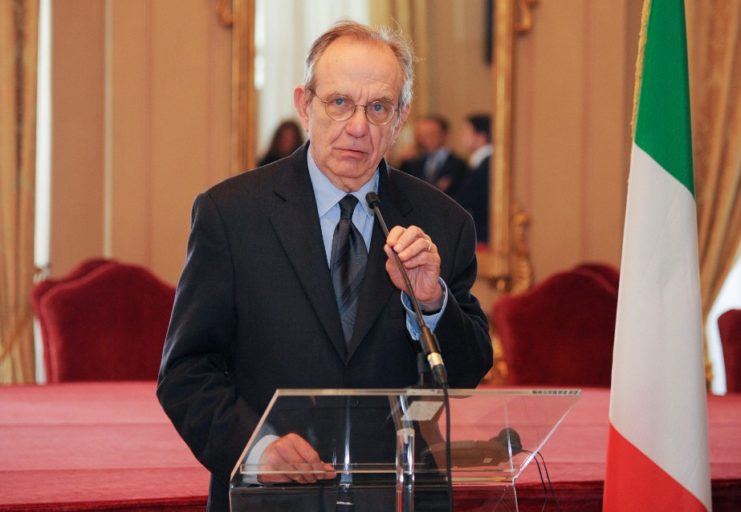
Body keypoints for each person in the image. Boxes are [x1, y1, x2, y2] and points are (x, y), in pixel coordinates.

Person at [156, 21, 493, 511]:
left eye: (378, 108)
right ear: (304, 105)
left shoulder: (444, 222)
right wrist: (255, 449)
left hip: (397, 498)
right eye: (339, 102)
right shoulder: (230, 215)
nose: (358, 126)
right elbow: (186, 371)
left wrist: (431, 302)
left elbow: (465, 373)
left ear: (400, 118)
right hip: (271, 499)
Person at [400, 115, 467, 196]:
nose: (426, 138)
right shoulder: (413, 163)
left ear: (445, 134)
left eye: (431, 134)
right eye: (422, 135)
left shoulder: (460, 165)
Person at [454, 114, 491, 244]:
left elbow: (465, 201)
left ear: (481, 137)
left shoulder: (486, 165)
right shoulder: (479, 163)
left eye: (466, 133)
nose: (462, 138)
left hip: (483, 237)